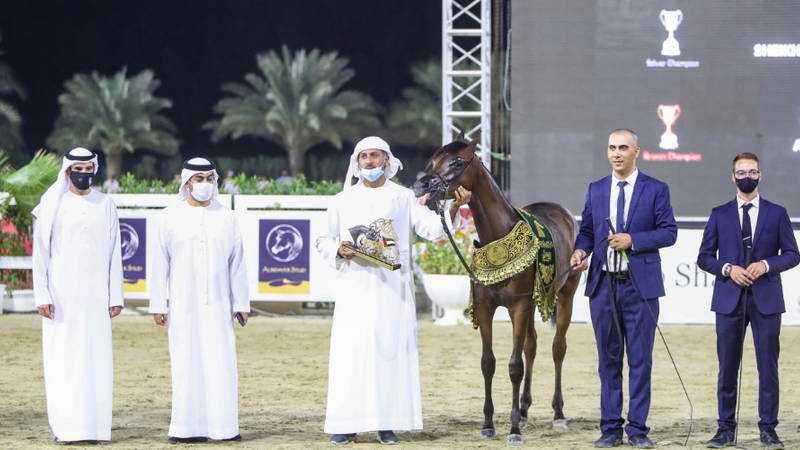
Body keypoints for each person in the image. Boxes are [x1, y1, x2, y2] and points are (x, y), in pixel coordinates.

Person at [315, 136, 470, 445]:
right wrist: (338, 250)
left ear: (387, 160)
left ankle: (388, 424)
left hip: (392, 291)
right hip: (353, 289)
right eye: (364, 157)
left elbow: (431, 229)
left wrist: (453, 208)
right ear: (357, 163)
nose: (370, 162)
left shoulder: (402, 197)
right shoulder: (341, 199)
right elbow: (322, 239)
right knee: (351, 356)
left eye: (375, 156)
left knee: (390, 354)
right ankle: (346, 424)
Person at [570, 129, 677, 448]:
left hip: (640, 288)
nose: (616, 153)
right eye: (612, 148)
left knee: (641, 360)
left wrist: (635, 240)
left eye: (623, 148)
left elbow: (669, 232)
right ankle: (610, 428)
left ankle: (638, 430)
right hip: (603, 287)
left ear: (636, 151)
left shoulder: (656, 189)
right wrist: (580, 251)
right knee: (608, 360)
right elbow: (586, 232)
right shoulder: (596, 189)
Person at [697, 152, 799, 449]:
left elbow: (793, 254)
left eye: (753, 172)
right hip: (729, 300)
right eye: (741, 171)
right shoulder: (719, 213)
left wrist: (766, 265)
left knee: (768, 367)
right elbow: (704, 257)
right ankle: (725, 429)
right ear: (733, 176)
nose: (747, 176)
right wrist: (728, 269)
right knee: (727, 367)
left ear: (760, 175)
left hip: (767, 300)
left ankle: (768, 429)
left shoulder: (777, 213)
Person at [150, 157, 250, 443]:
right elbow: (160, 264)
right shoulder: (169, 217)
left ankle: (224, 429)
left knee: (221, 363)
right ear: (186, 183)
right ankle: (185, 428)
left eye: (209, 178)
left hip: (219, 306)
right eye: (198, 179)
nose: (204, 184)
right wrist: (159, 304)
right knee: (185, 363)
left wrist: (241, 303)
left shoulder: (227, 216)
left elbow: (238, 263)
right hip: (182, 306)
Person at [31, 147, 124, 444]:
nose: (84, 175)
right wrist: (42, 294)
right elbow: (40, 255)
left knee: (96, 360)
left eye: (88, 169)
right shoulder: (52, 205)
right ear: (68, 171)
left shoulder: (105, 204)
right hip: (61, 298)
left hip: (96, 298)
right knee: (64, 360)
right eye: (78, 169)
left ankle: (96, 429)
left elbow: (114, 255)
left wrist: (115, 296)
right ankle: (67, 428)